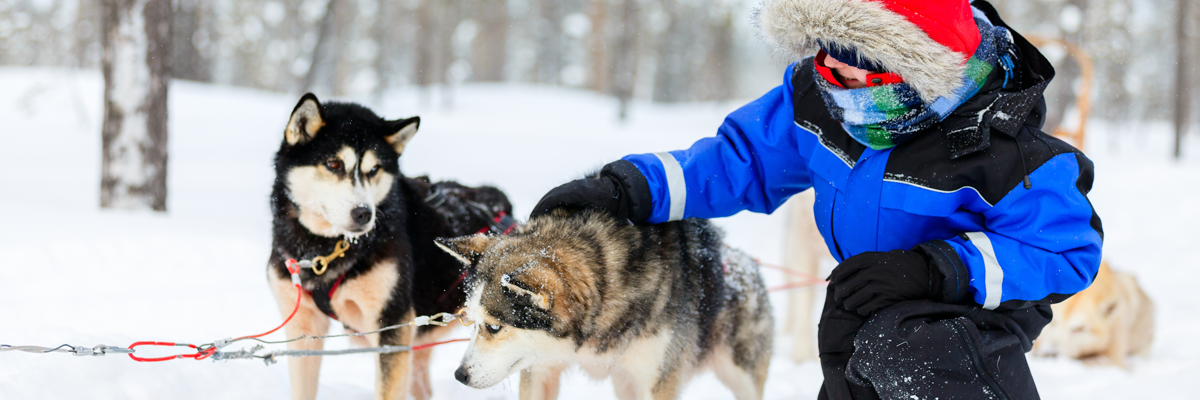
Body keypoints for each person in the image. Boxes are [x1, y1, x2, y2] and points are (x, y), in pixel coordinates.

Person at [530, 0, 1102, 399]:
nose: (838, 74)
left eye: (862, 66)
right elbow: (739, 160)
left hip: (973, 310)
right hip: (865, 293)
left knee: (907, 348)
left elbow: (1065, 251)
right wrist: (629, 188)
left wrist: (940, 269)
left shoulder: (1008, 149)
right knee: (856, 349)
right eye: (829, 55)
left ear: (916, 67)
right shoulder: (821, 95)